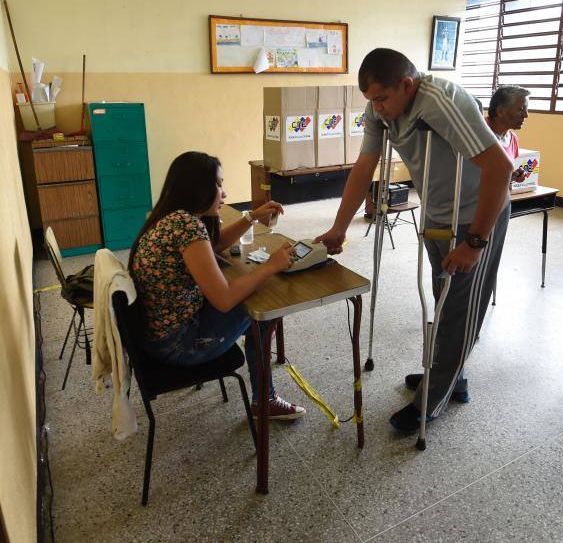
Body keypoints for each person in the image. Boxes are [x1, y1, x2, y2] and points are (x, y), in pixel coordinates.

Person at [314, 48, 513, 433]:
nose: (377, 108)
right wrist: (339, 227)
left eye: (382, 98)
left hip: (477, 214)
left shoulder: (444, 101)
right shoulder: (379, 112)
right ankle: (451, 376)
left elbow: (501, 168)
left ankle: (432, 399)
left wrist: (475, 242)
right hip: (438, 211)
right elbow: (364, 167)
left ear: (407, 84)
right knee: (443, 300)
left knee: (460, 308)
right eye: (371, 100)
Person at [129, 152, 306, 419]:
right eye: (219, 185)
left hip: (158, 335)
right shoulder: (187, 226)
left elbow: (212, 248)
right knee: (264, 307)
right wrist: (271, 265)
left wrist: (250, 218)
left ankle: (263, 395)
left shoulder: (171, 219)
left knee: (252, 292)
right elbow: (223, 299)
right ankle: (264, 400)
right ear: (198, 187)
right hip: (179, 344)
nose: (224, 193)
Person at [487, 85, 530, 183]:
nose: (526, 115)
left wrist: (512, 176)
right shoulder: (479, 132)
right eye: (521, 109)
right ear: (500, 111)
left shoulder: (512, 139)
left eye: (526, 109)